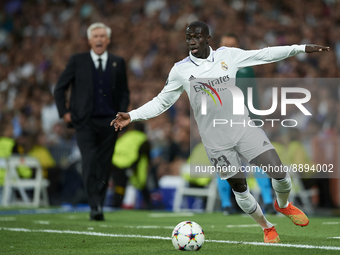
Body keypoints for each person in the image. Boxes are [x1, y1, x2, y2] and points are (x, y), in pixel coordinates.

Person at [111, 21, 329, 242]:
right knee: (241, 189)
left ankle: (283, 205)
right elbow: (161, 102)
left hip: (243, 129)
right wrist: (133, 115)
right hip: (215, 141)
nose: (192, 41)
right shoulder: (180, 70)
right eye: (188, 37)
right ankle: (267, 227)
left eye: (196, 36)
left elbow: (264, 54)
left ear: (208, 38)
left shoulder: (228, 56)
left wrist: (299, 48)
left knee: (280, 173)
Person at [54, 22, 129, 221]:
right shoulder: (77, 61)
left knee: (104, 164)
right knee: (89, 160)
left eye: (102, 36)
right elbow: (60, 88)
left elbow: (124, 92)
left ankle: (99, 204)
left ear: (108, 40)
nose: (99, 39)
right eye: (95, 35)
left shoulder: (117, 61)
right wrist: (64, 112)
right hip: (84, 122)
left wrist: (122, 113)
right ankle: (94, 205)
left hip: (110, 122)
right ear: (89, 40)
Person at [217, 33, 275, 215]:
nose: (227, 48)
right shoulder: (211, 67)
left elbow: (251, 97)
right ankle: (226, 204)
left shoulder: (245, 68)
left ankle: (267, 200)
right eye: (225, 45)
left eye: (231, 45)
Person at [111, 122, 152, 209]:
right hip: (130, 163)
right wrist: (136, 166)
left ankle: (116, 204)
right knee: (142, 184)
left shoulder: (127, 136)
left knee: (119, 185)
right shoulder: (142, 138)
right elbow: (143, 152)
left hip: (115, 162)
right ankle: (148, 204)